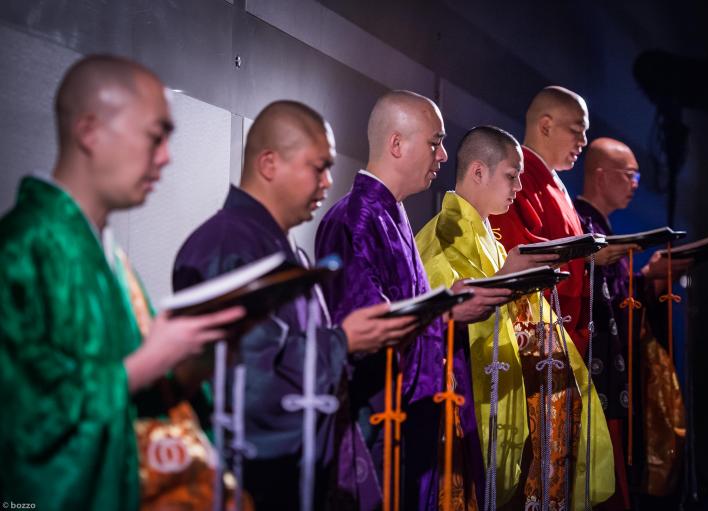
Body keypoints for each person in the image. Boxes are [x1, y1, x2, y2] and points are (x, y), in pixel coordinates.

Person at [0, 55, 244, 510]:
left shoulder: (102, 251)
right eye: (156, 137)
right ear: (89, 131)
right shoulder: (21, 248)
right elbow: (22, 420)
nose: (167, 157)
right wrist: (147, 363)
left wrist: (192, 360)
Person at [172, 100, 418, 511]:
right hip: (254, 486)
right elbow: (247, 383)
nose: (327, 182)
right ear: (269, 163)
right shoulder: (225, 246)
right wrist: (343, 341)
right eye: (317, 167)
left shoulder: (281, 249)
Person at [316, 91, 513, 510]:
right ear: (397, 144)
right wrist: (449, 311)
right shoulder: (356, 218)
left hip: (411, 416)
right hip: (379, 422)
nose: (443, 155)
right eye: (435, 141)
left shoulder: (394, 213)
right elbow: (366, 327)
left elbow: (407, 306)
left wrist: (446, 305)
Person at [416, 126, 615, 510]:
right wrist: (509, 277)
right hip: (468, 405)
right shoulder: (443, 236)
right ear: (478, 172)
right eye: (511, 176)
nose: (519, 186)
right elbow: (445, 319)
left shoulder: (491, 235)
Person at [575, 137, 691, 510]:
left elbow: (619, 296)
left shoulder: (605, 228)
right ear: (601, 174)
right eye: (630, 174)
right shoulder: (580, 223)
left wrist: (650, 279)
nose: (636, 183)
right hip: (593, 368)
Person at [489, 86, 601, 356]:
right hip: (540, 336)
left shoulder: (553, 182)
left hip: (565, 329)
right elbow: (519, 253)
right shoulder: (520, 178)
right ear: (546, 126)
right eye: (576, 130)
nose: (584, 141)